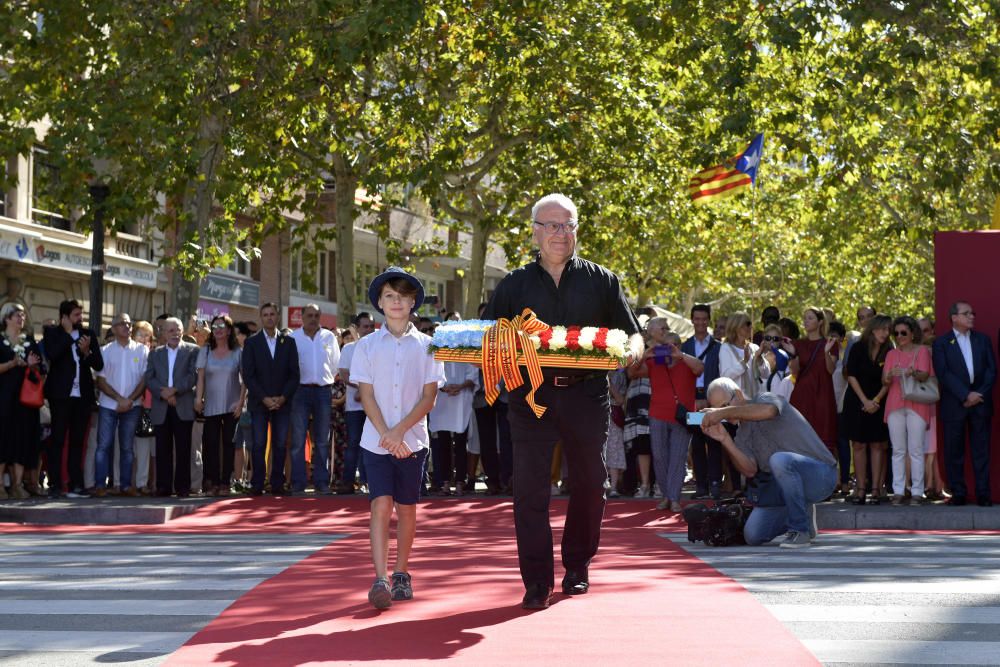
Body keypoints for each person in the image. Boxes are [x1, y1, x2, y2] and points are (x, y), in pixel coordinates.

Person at [482, 193, 642, 610]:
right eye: (552, 225)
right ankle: (536, 581)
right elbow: (485, 333)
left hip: (588, 396)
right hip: (529, 399)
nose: (560, 233)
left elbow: (633, 330)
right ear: (535, 231)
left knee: (591, 484)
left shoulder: (603, 280)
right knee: (529, 491)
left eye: (568, 225)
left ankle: (577, 567)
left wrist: (634, 349)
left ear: (577, 231)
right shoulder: (513, 285)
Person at [350, 267, 445, 610]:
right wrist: (387, 435)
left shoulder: (429, 346)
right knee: (380, 504)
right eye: (389, 296)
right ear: (379, 302)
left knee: (406, 508)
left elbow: (429, 397)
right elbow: (367, 395)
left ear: (413, 303)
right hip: (374, 441)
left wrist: (400, 431)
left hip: (413, 441)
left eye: (403, 297)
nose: (396, 302)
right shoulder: (367, 346)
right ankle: (380, 578)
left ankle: (401, 571)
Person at [701, 377, 838, 548]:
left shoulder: (765, 397)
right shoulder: (741, 435)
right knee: (753, 535)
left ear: (738, 394)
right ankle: (803, 513)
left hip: (821, 475)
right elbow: (750, 470)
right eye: (717, 409)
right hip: (784, 489)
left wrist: (723, 412)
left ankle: (800, 530)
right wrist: (725, 440)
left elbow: (769, 411)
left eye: (724, 405)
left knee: (780, 460)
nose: (722, 413)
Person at [932, 301, 996, 506]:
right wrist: (965, 395)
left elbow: (991, 370)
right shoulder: (942, 343)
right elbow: (943, 373)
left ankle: (983, 494)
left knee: (981, 451)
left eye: (972, 313)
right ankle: (958, 492)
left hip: (980, 403)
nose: (972, 316)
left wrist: (978, 394)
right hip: (955, 405)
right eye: (966, 313)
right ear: (954, 318)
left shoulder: (982, 340)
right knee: (954, 451)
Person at [44, 299, 105, 498]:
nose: (80, 318)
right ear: (65, 317)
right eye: (76, 315)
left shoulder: (88, 334)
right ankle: (55, 483)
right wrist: (68, 335)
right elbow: (52, 354)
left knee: (78, 441)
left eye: (81, 314)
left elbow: (98, 364)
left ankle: (75, 483)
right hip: (60, 395)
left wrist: (86, 351)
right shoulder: (53, 333)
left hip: (83, 396)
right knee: (58, 439)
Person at [241, 302, 299, 496]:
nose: (269, 317)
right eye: (265, 314)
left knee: (280, 444)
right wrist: (265, 398)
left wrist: (282, 398)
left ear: (277, 317)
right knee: (258, 444)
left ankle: (277, 483)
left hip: (282, 402)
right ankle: (258, 483)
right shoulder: (251, 343)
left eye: (272, 314)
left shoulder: (288, 342)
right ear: (261, 317)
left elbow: (294, 374)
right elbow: (248, 376)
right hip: (259, 402)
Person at [644, 326, 703, 512]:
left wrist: (681, 355)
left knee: (678, 457)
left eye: (674, 345)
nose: (671, 349)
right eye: (666, 346)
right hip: (657, 414)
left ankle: (674, 498)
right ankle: (666, 496)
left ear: (680, 346)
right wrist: (646, 354)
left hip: (685, 416)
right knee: (660, 456)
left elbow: (700, 368)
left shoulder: (687, 362)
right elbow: (631, 372)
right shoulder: (655, 362)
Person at [882, 316, 935, 506]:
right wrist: (889, 375)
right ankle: (898, 490)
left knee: (916, 449)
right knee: (898, 450)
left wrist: (913, 372)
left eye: (903, 332)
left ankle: (917, 492)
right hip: (895, 403)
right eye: (896, 333)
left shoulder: (922, 351)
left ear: (913, 333)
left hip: (917, 404)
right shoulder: (891, 354)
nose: (899, 336)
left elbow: (925, 375)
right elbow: (885, 381)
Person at [94, 313, 148, 497]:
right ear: (114, 328)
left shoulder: (142, 350)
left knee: (127, 447)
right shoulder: (106, 350)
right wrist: (119, 399)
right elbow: (100, 381)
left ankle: (125, 485)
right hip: (109, 405)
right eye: (122, 324)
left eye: (129, 323)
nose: (127, 326)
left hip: (133, 406)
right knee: (103, 446)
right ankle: (100, 485)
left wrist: (130, 400)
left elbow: (144, 379)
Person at [289, 304, 341, 494]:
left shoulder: (329, 337)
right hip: (299, 392)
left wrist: (324, 379)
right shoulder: (293, 338)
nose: (313, 318)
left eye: (316, 315)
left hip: (323, 391)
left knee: (322, 440)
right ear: (301, 317)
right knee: (298, 440)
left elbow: (336, 365)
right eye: (309, 315)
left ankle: (321, 482)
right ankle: (298, 482)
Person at [145, 317, 199, 497]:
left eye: (178, 330)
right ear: (163, 333)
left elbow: (193, 376)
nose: (176, 333)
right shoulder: (155, 353)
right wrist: (164, 394)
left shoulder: (193, 351)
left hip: (182, 404)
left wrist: (175, 391)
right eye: (171, 330)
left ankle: (183, 487)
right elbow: (149, 378)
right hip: (161, 406)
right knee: (162, 449)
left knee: (183, 448)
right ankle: (163, 487)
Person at [844, 314, 892, 505]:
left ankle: (876, 490)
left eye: (888, 330)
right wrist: (865, 400)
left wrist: (876, 400)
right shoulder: (858, 347)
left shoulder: (890, 350)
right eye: (883, 329)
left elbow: (890, 380)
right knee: (859, 444)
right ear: (873, 329)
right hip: (857, 400)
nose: (886, 333)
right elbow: (851, 375)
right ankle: (861, 488)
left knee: (878, 445)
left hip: (879, 401)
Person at [195, 315, 245, 496]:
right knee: (211, 444)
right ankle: (213, 482)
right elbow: (200, 377)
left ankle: (226, 482)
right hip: (211, 406)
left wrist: (240, 404)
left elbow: (245, 381)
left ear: (229, 330)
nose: (217, 329)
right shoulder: (205, 351)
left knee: (229, 445)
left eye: (222, 326)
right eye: (214, 326)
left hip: (232, 406)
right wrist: (198, 399)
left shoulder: (238, 351)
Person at [0, 303, 44, 500]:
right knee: (2, 440)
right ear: (7, 318)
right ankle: (0, 485)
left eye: (23, 315)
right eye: (17, 315)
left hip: (25, 401)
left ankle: (17, 485)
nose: (21, 318)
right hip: (3, 399)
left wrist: (33, 366)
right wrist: (12, 363)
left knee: (22, 440)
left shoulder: (30, 342)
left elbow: (41, 372)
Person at [682, 304, 722, 500]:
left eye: (704, 319)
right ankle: (701, 486)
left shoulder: (718, 346)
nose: (700, 322)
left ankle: (716, 484)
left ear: (709, 320)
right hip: (692, 399)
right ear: (692, 320)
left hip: (712, 398)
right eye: (697, 319)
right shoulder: (685, 346)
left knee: (714, 441)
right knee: (697, 443)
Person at [789, 307, 838, 453]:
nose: (806, 321)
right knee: (799, 439)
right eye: (805, 318)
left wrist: (826, 352)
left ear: (820, 322)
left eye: (810, 318)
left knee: (823, 441)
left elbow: (830, 370)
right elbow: (794, 371)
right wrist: (792, 354)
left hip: (822, 396)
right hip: (802, 395)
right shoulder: (798, 344)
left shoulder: (830, 343)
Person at [336, 312, 376, 494]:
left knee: (374, 444)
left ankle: (371, 482)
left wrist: (366, 390)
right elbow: (344, 374)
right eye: (365, 326)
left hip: (376, 406)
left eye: (371, 326)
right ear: (357, 329)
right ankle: (348, 481)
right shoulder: (349, 348)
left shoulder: (381, 348)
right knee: (353, 443)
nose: (368, 330)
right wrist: (362, 387)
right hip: (354, 406)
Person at [428, 361, 479, 495]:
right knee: (443, 443)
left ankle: (460, 482)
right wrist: (444, 388)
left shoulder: (464, 346)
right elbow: (431, 374)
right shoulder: (437, 349)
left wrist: (460, 386)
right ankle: (445, 482)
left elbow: (472, 374)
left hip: (461, 400)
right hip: (441, 401)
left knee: (461, 443)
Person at [131, 320, 156, 494]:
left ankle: (142, 483)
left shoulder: (153, 355)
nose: (144, 338)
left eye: (147, 335)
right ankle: (125, 483)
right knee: (127, 448)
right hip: (128, 404)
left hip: (147, 407)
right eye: (140, 334)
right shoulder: (129, 352)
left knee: (144, 449)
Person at [719, 311, 762, 399]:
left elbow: (766, 374)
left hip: (756, 400)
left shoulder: (754, 348)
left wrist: (760, 359)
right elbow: (725, 376)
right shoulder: (726, 348)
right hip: (736, 401)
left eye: (750, 324)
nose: (751, 327)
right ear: (736, 327)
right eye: (747, 324)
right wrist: (744, 362)